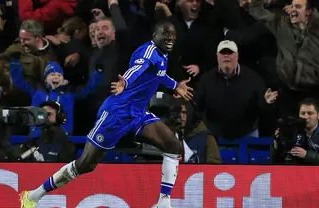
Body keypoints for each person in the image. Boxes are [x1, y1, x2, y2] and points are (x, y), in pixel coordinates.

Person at [19, 20, 193, 208]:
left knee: (173, 145)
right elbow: (136, 69)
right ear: (155, 37)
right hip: (116, 113)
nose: (169, 39)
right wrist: (124, 82)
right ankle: (33, 196)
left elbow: (158, 74)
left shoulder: (162, 55)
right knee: (84, 165)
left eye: (172, 36)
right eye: (165, 35)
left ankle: (163, 202)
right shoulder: (148, 52)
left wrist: (175, 85)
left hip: (137, 113)